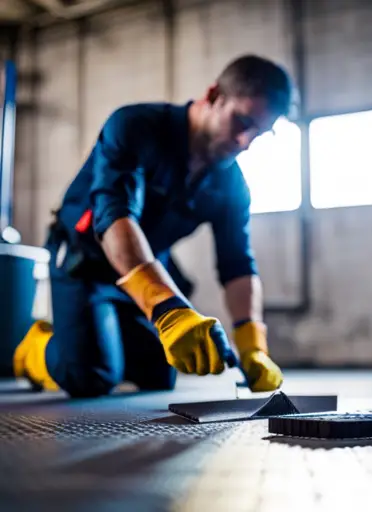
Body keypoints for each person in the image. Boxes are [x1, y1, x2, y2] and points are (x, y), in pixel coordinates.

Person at [13, 54, 291, 398]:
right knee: (92, 375)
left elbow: (237, 265)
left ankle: (95, 339)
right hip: (85, 263)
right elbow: (116, 215)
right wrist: (168, 311)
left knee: (160, 373)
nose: (245, 142)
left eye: (259, 133)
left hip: (144, 274)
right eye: (242, 122)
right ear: (214, 95)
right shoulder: (135, 126)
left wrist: (253, 347)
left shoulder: (231, 185)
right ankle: (35, 351)